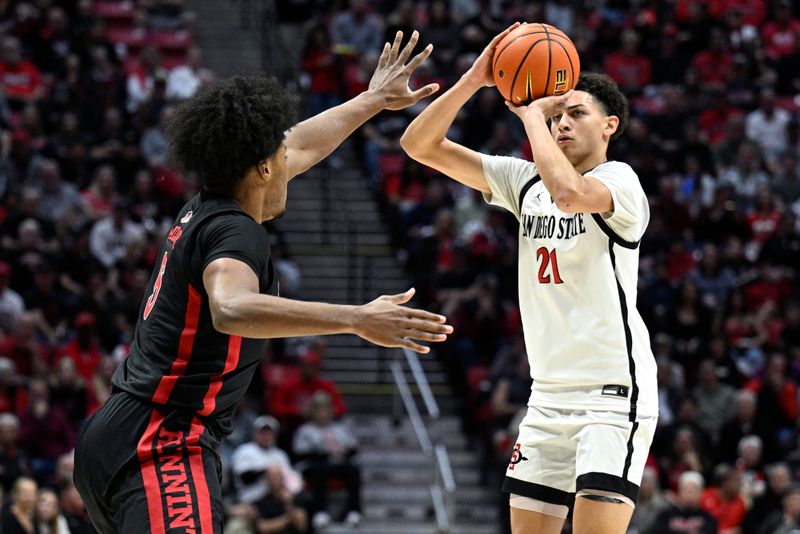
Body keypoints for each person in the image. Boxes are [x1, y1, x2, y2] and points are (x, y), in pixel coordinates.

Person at [73, 30, 449, 534]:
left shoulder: (208, 205)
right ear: (263, 168)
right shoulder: (236, 231)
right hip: (162, 442)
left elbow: (301, 143)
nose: (289, 157)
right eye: (278, 155)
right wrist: (356, 319)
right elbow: (231, 307)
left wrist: (373, 99)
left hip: (117, 433)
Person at [401, 22, 658, 533]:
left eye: (574, 114)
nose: (560, 123)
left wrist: (534, 113)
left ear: (610, 125)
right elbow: (418, 144)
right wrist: (475, 79)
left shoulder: (620, 181)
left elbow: (569, 194)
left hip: (611, 395)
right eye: (556, 115)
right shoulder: (525, 184)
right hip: (547, 395)